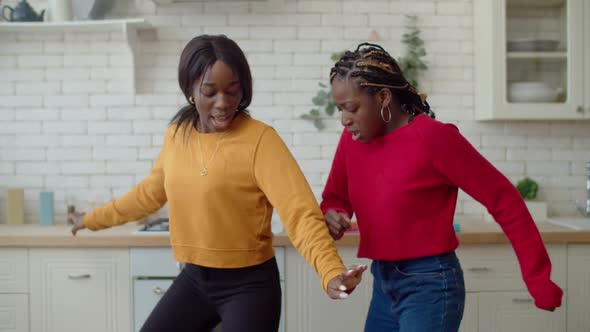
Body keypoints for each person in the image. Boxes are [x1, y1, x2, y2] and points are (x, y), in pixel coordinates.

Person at [68, 34, 367, 332]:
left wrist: (330, 272)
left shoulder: (260, 140)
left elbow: (299, 213)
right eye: (210, 92)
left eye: (233, 91)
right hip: (195, 280)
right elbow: (147, 195)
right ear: (190, 90)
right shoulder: (177, 136)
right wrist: (90, 219)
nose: (223, 104)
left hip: (250, 288)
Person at [320, 42, 563, 332]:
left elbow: (504, 199)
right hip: (383, 280)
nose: (344, 119)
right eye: (340, 109)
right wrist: (332, 214)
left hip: (430, 284)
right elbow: (334, 198)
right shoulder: (352, 140)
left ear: (383, 97)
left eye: (351, 108)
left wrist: (538, 279)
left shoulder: (434, 139)